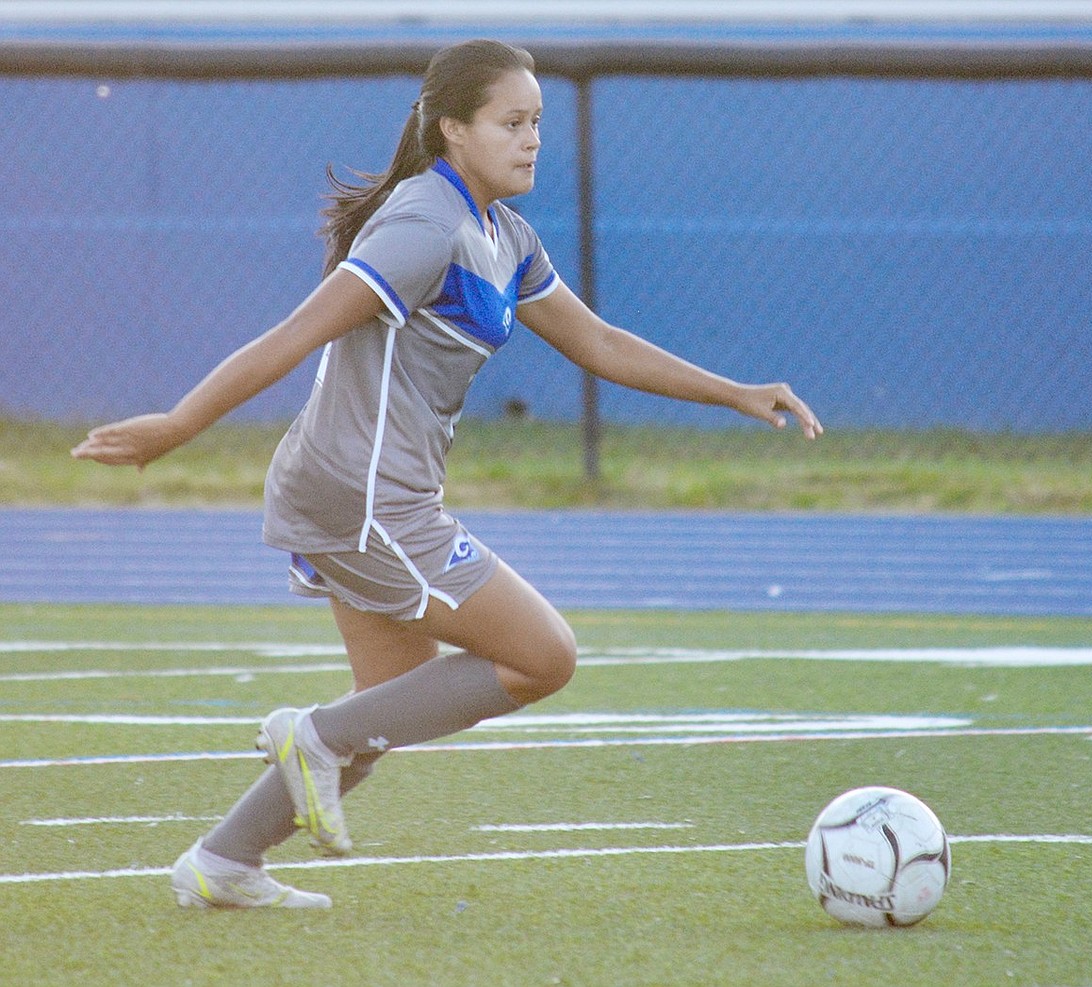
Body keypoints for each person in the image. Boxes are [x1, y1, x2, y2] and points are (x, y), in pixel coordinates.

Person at [72, 38, 823, 909]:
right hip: (363, 494)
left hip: (362, 492)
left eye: (538, 121)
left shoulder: (503, 233)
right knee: (544, 655)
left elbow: (599, 343)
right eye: (512, 121)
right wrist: (178, 424)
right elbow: (298, 332)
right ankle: (308, 735)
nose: (533, 138)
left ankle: (225, 861)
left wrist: (734, 392)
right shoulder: (426, 224)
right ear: (452, 129)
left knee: (390, 704)